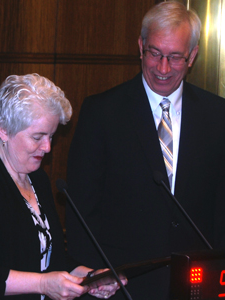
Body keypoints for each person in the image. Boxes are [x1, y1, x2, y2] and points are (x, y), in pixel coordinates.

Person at [66, 1, 225, 300]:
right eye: (155, 53)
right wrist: (92, 274)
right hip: (123, 285)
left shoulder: (218, 116)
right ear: (140, 46)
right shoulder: (102, 112)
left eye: (175, 57)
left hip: (195, 284)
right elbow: (81, 208)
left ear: (193, 55)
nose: (162, 68)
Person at [0, 74, 126, 300]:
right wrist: (42, 284)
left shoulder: (37, 179)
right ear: (3, 129)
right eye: (38, 136)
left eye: (51, 136)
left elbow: (51, 261)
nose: (48, 147)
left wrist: (90, 278)